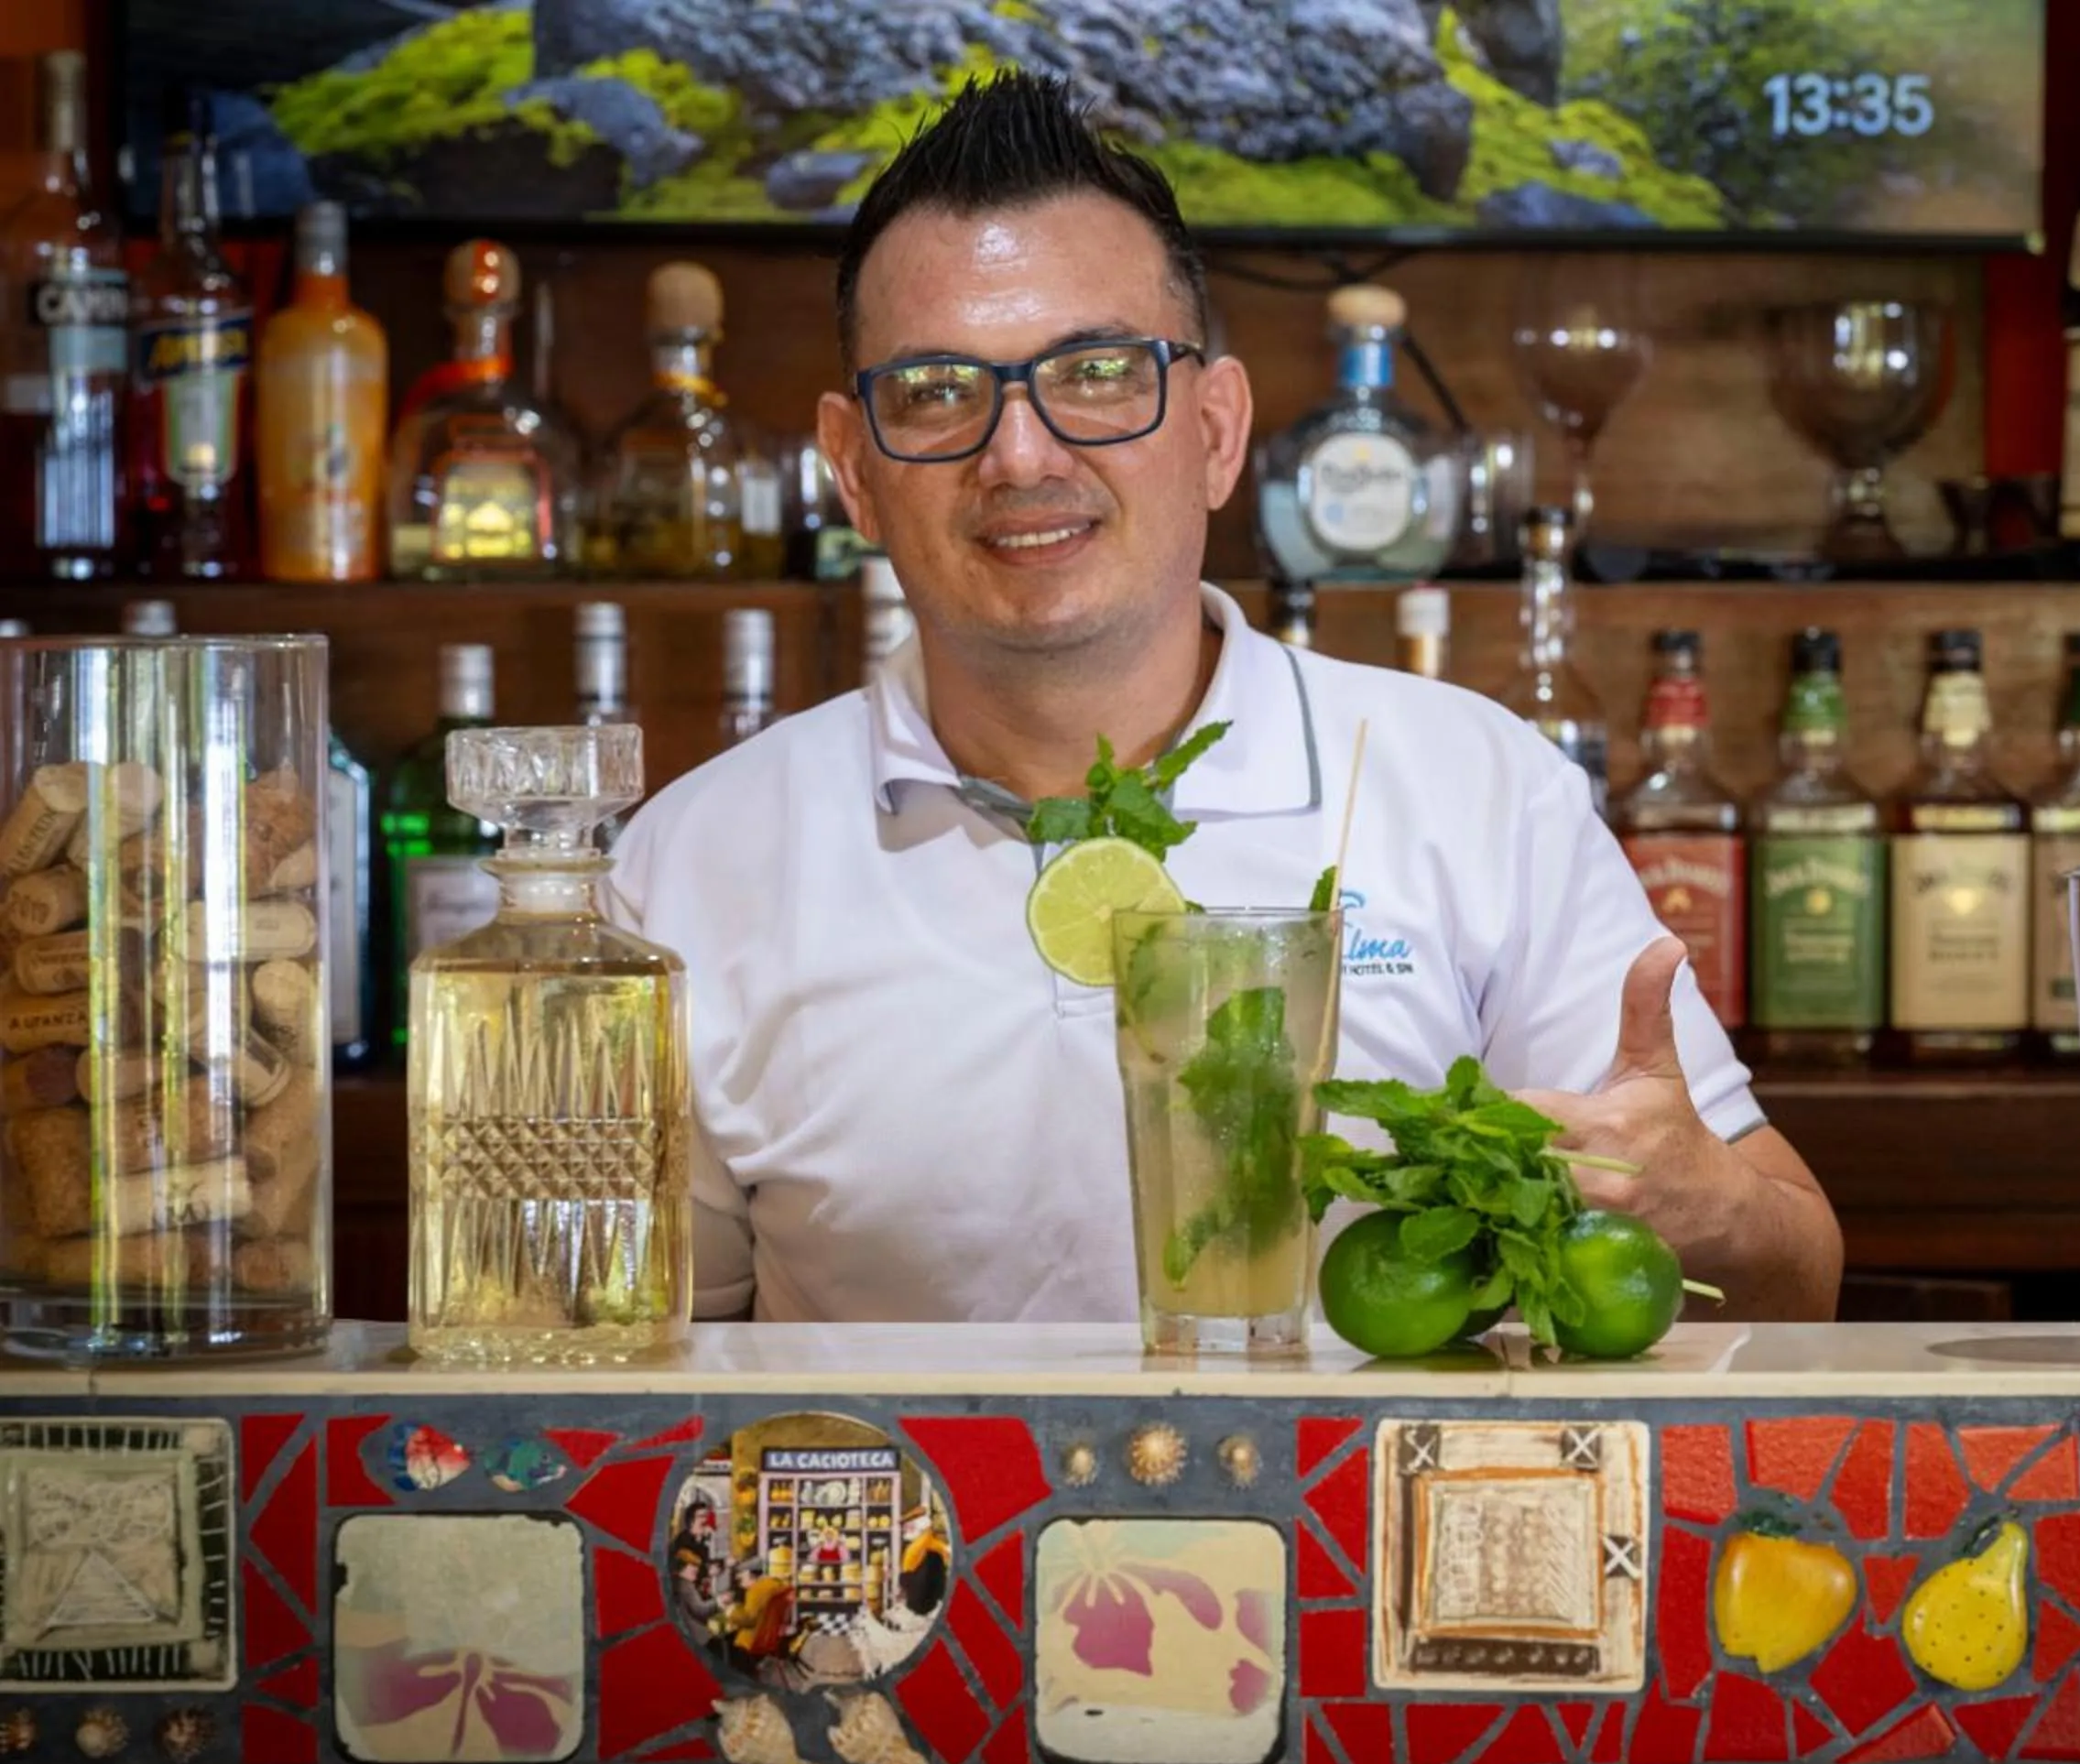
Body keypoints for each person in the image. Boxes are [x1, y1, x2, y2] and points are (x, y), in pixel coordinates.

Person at [606, 71, 1841, 1326]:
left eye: (1094, 371)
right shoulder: (689, 866)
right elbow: (645, 1381)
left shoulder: (1475, 787)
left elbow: (1801, 1282)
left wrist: (1706, 1209)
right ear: (855, 473)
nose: (1020, 455)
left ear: (1215, 428)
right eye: (936, 391)